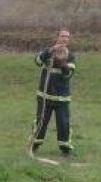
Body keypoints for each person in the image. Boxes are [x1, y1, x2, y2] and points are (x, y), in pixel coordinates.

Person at [32, 28, 77, 156]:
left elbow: (68, 74)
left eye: (67, 37)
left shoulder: (70, 56)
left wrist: (63, 64)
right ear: (57, 38)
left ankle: (66, 149)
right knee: (41, 122)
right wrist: (50, 51)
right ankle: (34, 145)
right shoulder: (47, 52)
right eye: (62, 36)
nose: (65, 39)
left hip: (62, 98)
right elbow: (37, 61)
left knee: (63, 124)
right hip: (44, 96)